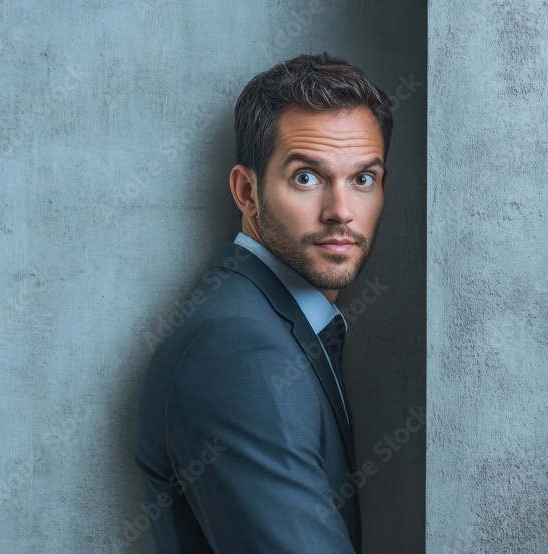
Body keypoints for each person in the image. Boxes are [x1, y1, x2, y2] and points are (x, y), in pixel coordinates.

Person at [133, 52, 393, 553]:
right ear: (247, 192)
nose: (341, 211)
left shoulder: (273, 323)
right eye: (307, 177)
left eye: (362, 179)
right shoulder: (239, 350)